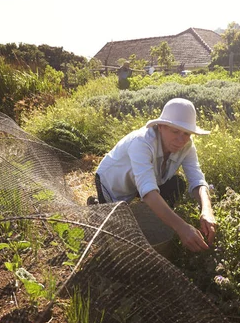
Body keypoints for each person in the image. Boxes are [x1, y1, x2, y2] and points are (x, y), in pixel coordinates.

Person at [92, 98, 216, 252]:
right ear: (161, 127)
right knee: (113, 231)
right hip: (112, 183)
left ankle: (156, 218)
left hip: (143, 181)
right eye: (175, 131)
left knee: (176, 184)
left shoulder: (187, 146)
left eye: (186, 133)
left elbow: (197, 179)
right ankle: (97, 205)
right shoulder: (141, 142)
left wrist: (207, 210)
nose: (181, 139)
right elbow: (149, 192)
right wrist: (182, 227)